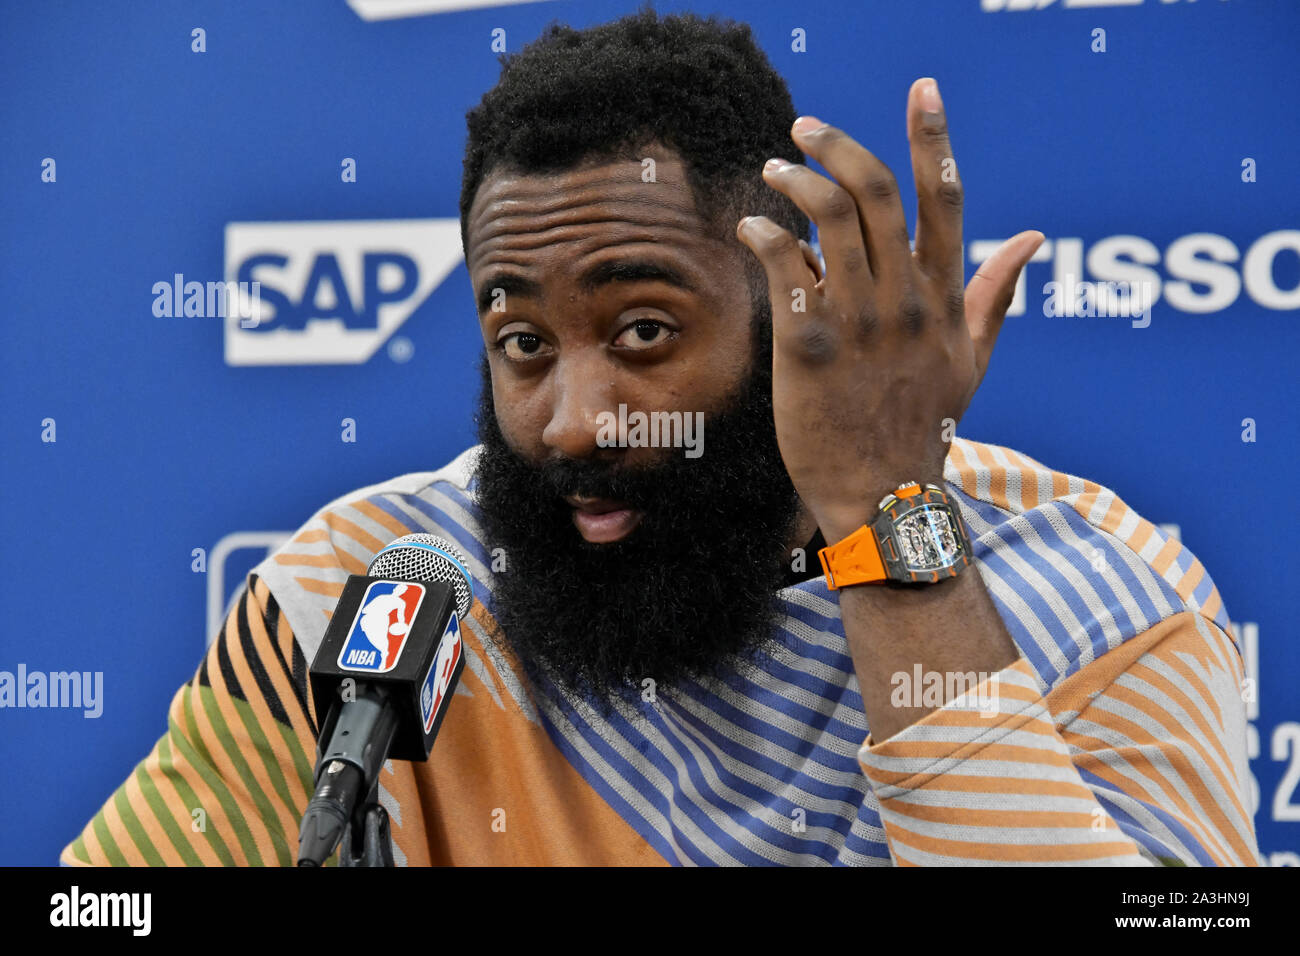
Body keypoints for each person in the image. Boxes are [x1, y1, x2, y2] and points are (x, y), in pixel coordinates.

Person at [62, 8, 1260, 866]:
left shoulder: (1104, 599)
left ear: (799, 301)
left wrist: (884, 512)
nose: (574, 420)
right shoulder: (378, 586)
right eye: (523, 341)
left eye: (643, 329)